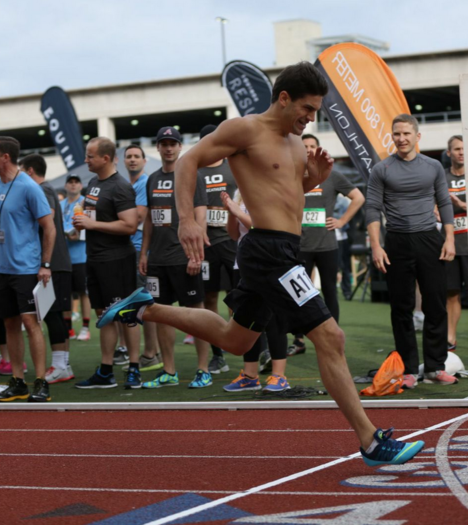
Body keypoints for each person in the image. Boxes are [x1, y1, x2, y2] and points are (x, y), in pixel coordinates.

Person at [98, 62, 425, 466]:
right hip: (268, 252)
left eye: (316, 111)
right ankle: (371, 442)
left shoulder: (292, 142)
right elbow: (188, 162)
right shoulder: (245, 130)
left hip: (283, 249)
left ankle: (144, 308)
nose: (310, 118)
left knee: (236, 340)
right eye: (307, 108)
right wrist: (186, 220)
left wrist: (313, 178)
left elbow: (283, 193)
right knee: (331, 337)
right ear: (284, 98)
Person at [366, 114, 458, 389]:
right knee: (401, 308)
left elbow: (444, 202)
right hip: (396, 241)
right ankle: (407, 369)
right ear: (392, 137)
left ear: (417, 137)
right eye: (397, 134)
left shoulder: (432, 167)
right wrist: (375, 245)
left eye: (406, 133)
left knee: (435, 304)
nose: (402, 138)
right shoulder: (381, 169)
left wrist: (449, 238)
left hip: (430, 239)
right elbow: (372, 208)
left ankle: (434, 367)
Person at [0, 136, 56, 402]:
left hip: (26, 268)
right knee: (9, 324)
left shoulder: (29, 187)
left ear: (5, 157)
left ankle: (41, 382)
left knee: (31, 322)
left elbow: (49, 227)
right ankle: (18, 381)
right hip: (0, 268)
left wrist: (46, 265)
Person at [137, 126, 212, 389]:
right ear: (157, 147)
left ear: (180, 147)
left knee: (196, 313)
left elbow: (201, 217)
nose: (168, 148)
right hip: (157, 260)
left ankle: (203, 369)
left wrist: (196, 254)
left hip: (185, 258)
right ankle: (169, 370)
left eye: (173, 143)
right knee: (161, 313)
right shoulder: (152, 179)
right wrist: (144, 252)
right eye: (163, 143)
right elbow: (149, 219)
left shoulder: (192, 175)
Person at [73, 137, 141, 389]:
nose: (86, 160)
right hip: (95, 258)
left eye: (90, 156)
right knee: (104, 316)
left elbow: (130, 225)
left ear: (105, 158)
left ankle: (134, 368)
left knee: (126, 314)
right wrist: (80, 213)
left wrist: (92, 224)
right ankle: (106, 370)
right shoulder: (92, 183)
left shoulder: (120, 186)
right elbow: (90, 210)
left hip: (117, 260)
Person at [288, 134, 365, 355]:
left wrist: (342, 221)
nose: (309, 150)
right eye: (305, 147)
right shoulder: (292, 175)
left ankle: (333, 337)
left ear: (319, 150)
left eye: (313, 146)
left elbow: (358, 198)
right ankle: (299, 339)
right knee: (299, 293)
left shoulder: (332, 176)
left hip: (327, 245)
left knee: (330, 291)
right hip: (299, 245)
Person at [221, 189, 290, 392]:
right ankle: (250, 375)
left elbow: (264, 227)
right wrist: (231, 213)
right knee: (245, 321)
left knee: (274, 319)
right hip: (242, 264)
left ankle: (279, 376)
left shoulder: (271, 187)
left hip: (270, 263)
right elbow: (234, 234)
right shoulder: (239, 192)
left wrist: (236, 210)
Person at [20, 154, 75, 385]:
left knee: (54, 314)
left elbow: (47, 220)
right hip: (53, 263)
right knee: (53, 314)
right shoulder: (46, 189)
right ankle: (62, 364)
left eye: (22, 170)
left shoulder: (43, 190)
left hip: (54, 263)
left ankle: (61, 366)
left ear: (30, 171)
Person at [198, 124, 237, 374]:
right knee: (209, 298)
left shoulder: (233, 167)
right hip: (206, 245)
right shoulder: (195, 171)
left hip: (232, 241)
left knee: (238, 296)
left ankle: (252, 347)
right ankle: (217, 354)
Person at [124, 144, 161, 371]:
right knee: (137, 302)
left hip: (140, 249)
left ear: (145, 161)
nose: (132, 160)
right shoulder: (129, 184)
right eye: (128, 156)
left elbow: (137, 217)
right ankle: (150, 352)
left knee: (142, 302)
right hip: (132, 249)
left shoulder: (144, 183)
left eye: (137, 156)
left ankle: (150, 353)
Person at [443, 135, 468, 352]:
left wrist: (461, 203)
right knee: (451, 293)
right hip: (451, 244)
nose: (461, 152)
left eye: (464, 148)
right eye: (457, 149)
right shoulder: (441, 178)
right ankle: (450, 338)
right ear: (448, 153)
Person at [61, 174, 92, 342]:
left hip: (81, 256)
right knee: (65, 293)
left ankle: (85, 328)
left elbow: (92, 226)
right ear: (66, 186)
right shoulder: (60, 205)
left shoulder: (86, 203)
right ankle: (68, 329)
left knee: (83, 292)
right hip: (64, 257)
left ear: (81, 186)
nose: (73, 185)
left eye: (76, 182)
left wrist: (79, 234)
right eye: (70, 182)